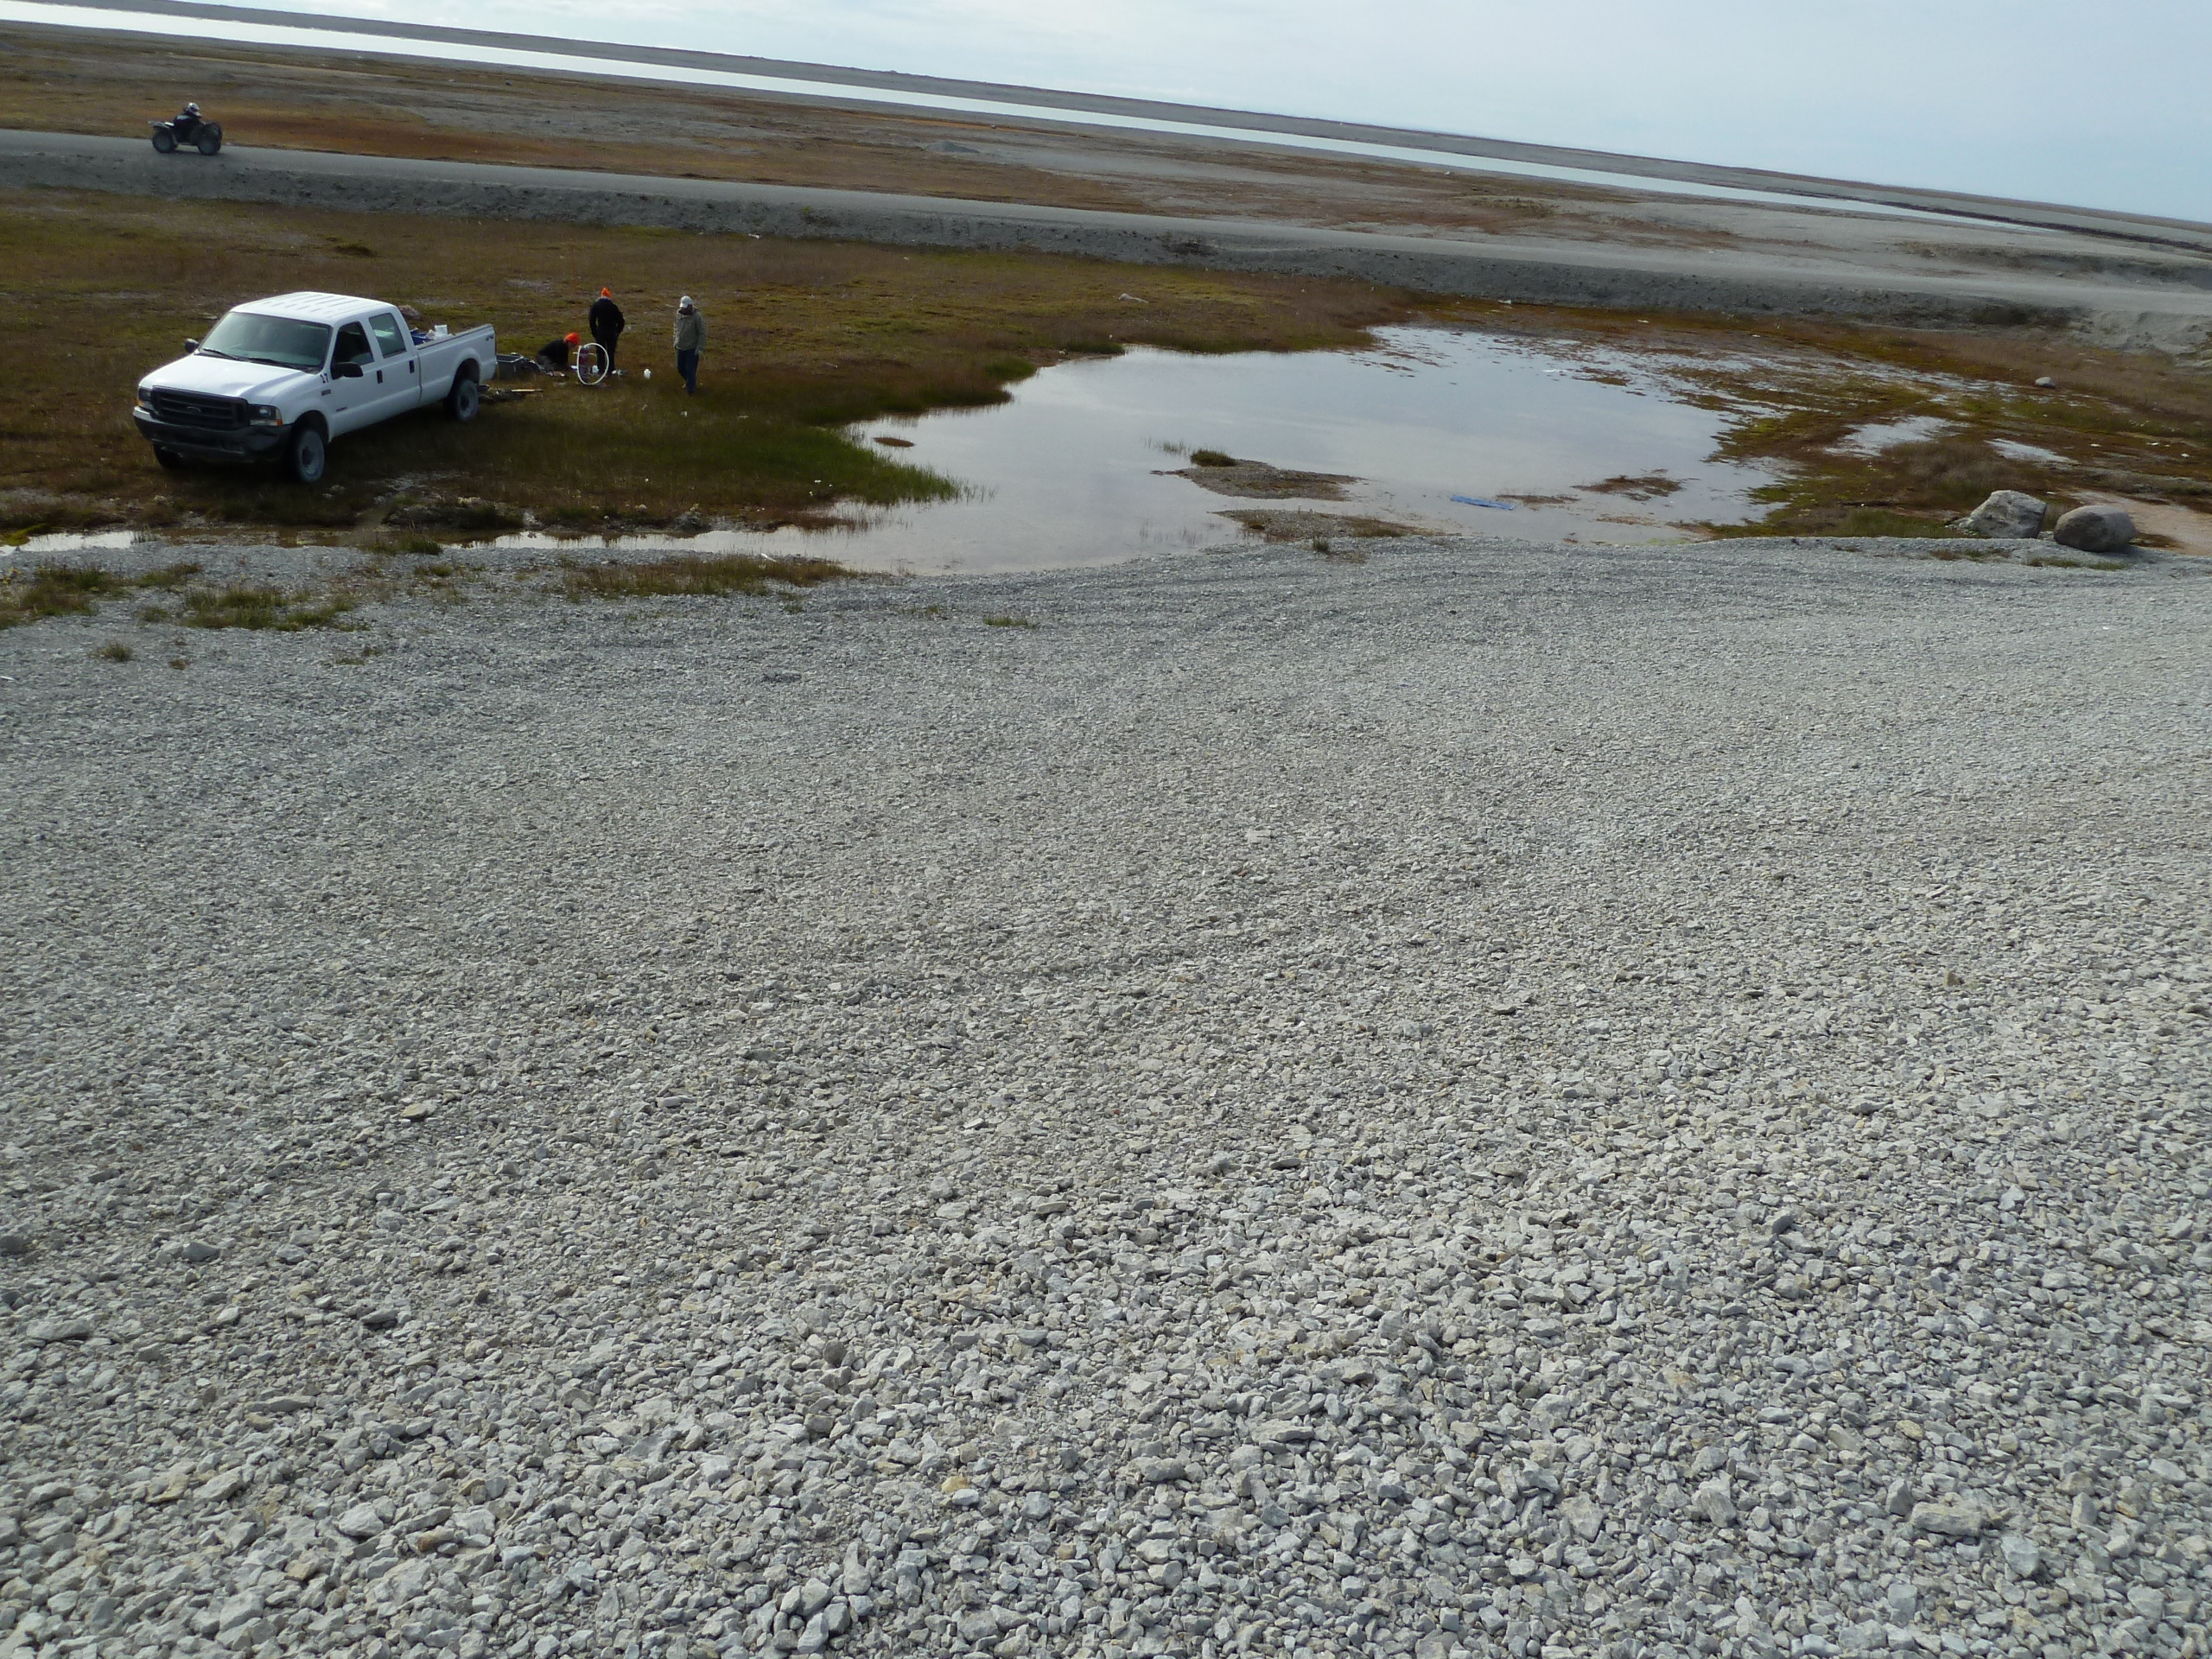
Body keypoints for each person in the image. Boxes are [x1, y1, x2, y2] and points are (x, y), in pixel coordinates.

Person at [673, 295, 705, 395]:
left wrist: (699, 348)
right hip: (680, 346)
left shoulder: (697, 317)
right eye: (682, 307)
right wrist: (675, 341)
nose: (683, 309)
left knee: (691, 370)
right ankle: (689, 381)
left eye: (685, 307)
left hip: (692, 348)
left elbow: (702, 333)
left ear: (690, 306)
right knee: (680, 368)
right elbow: (676, 328)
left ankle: (691, 391)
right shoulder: (678, 314)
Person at [588, 287, 626, 366]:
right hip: (612, 332)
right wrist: (617, 332)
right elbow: (621, 321)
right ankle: (610, 368)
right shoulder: (613, 306)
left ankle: (601, 368)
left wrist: (594, 332)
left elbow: (592, 320)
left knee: (600, 351)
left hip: (601, 331)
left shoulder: (596, 305)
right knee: (611, 352)